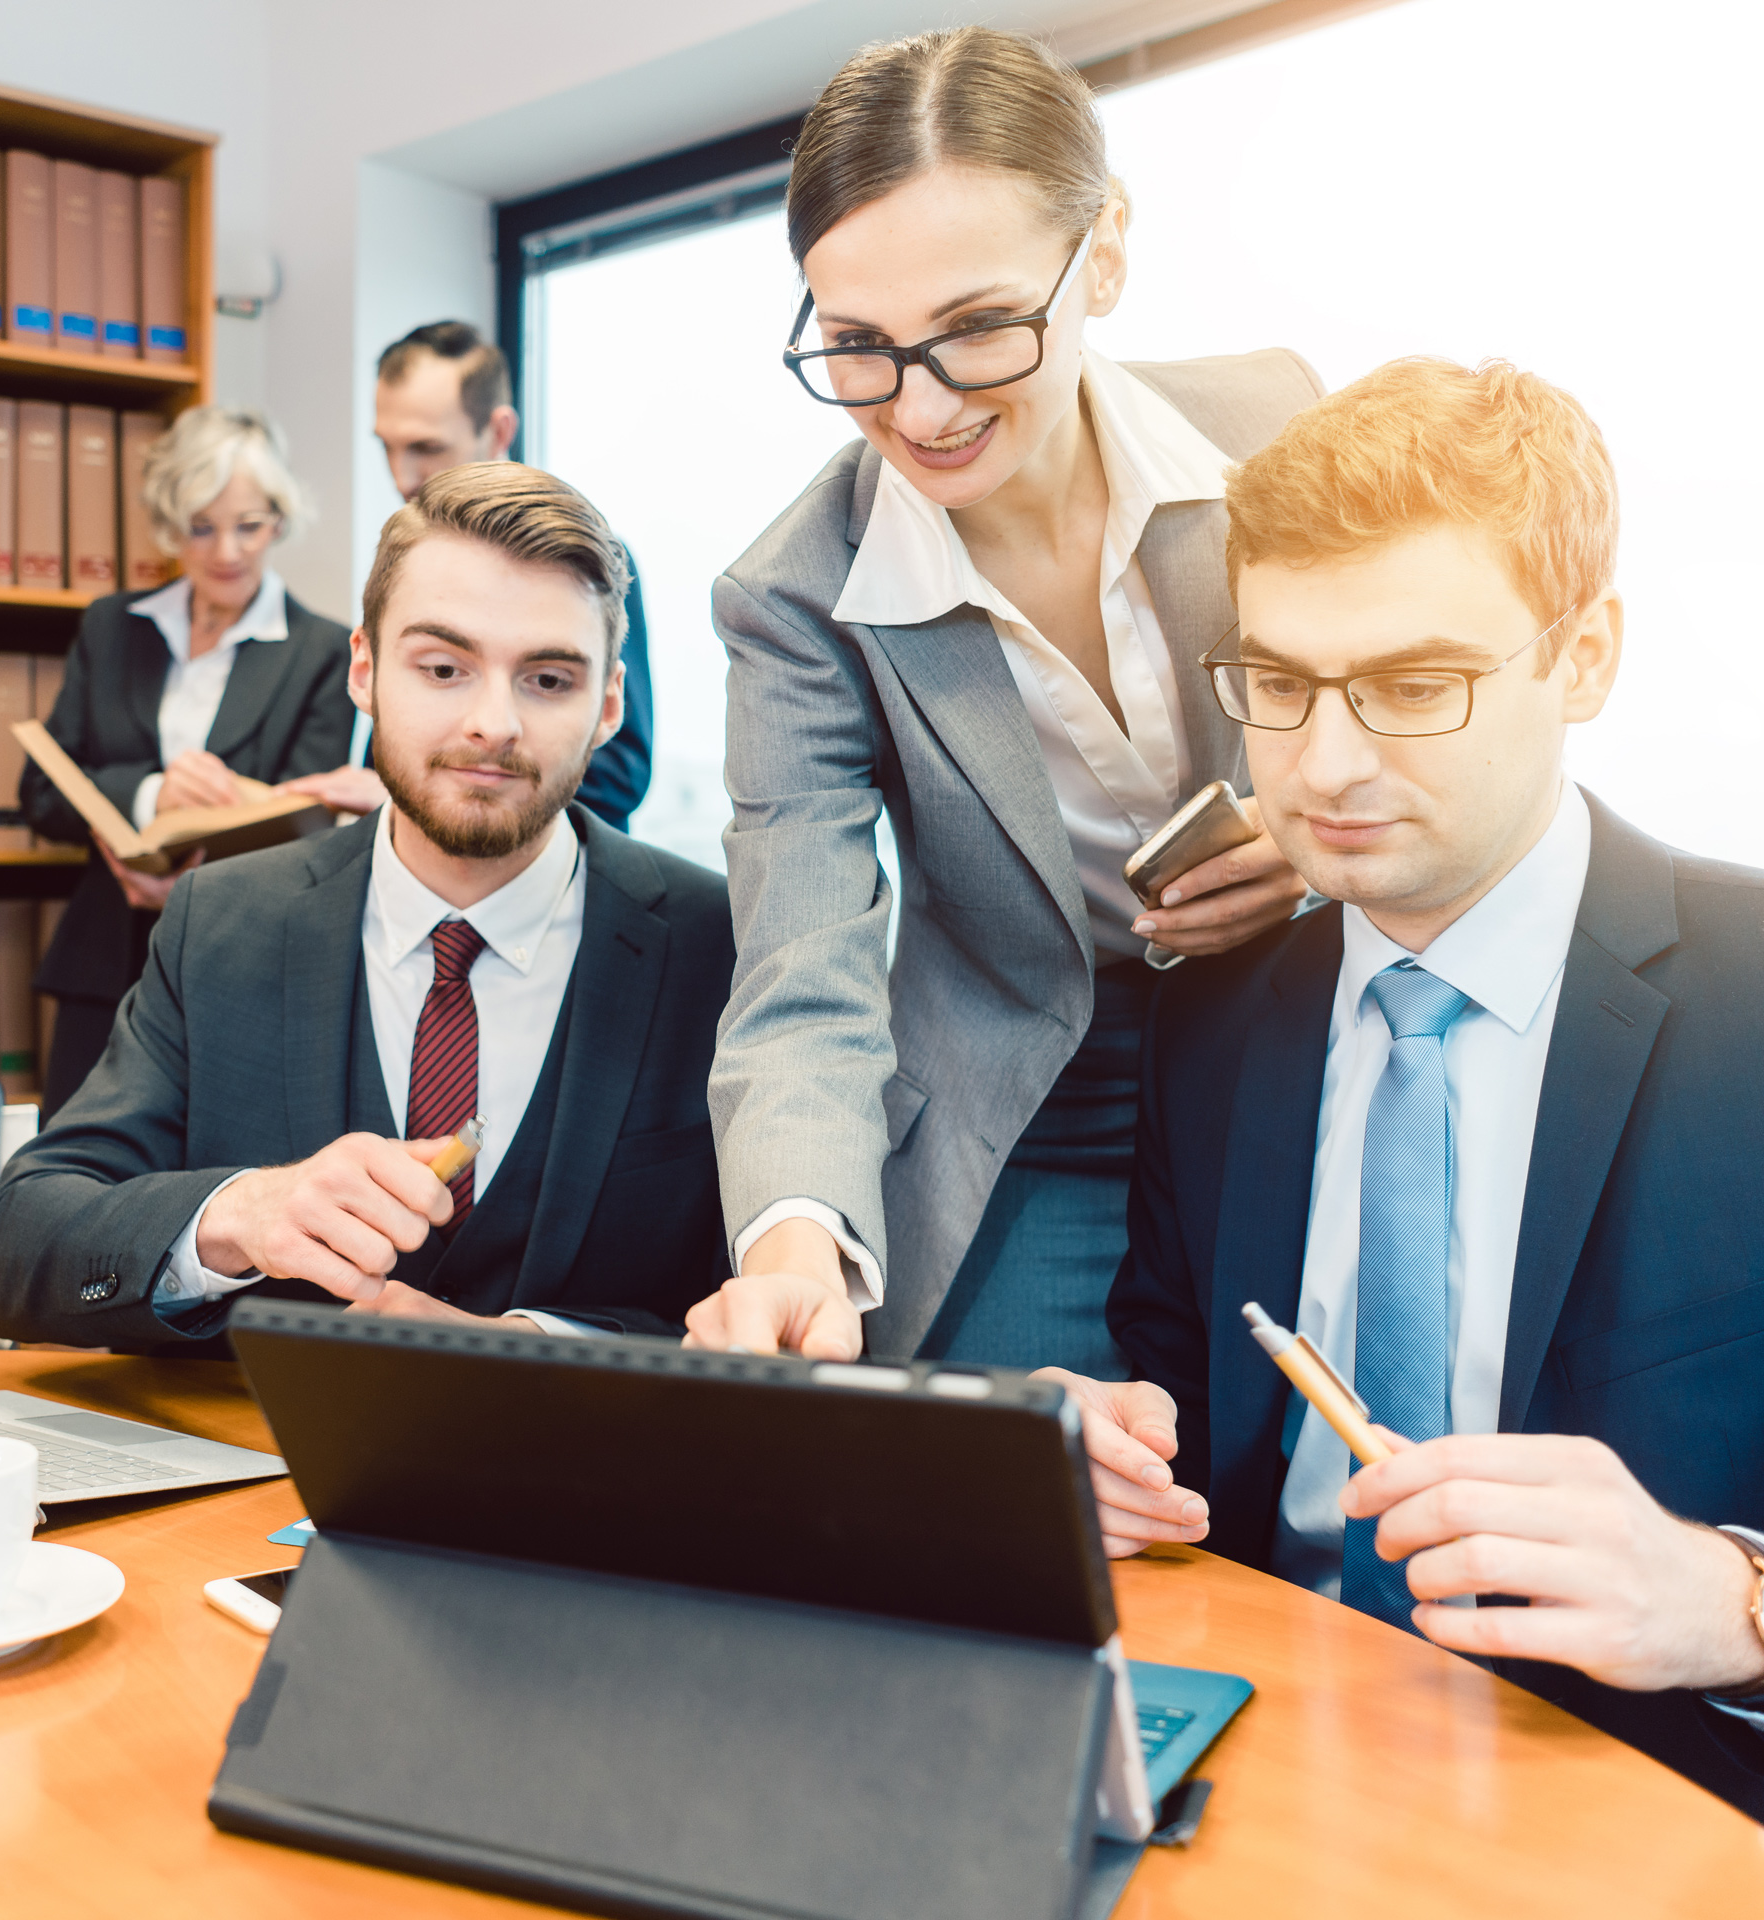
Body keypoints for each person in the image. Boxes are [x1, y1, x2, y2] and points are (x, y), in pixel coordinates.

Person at [1051, 358, 1764, 1820]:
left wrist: (1731, 1598)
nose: (1323, 764)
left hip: (1647, 1789)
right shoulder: (1209, 1023)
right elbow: (1172, 1393)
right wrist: (1099, 1455)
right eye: (1280, 684)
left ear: (1586, 657)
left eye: (1414, 686)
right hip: (1253, 1754)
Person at [683, 27, 1317, 1371]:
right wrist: (793, 1232)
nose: (920, 410)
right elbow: (803, 960)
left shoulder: (1278, 431)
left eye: (977, 328)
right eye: (858, 345)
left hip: (1307, 1049)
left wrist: (1310, 839)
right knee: (1031, 1520)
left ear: (1108, 256)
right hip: (1037, 1108)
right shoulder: (793, 598)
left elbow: (1428, 724)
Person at [0, 463, 732, 1349]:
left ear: (608, 705)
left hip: (594, 1480)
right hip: (261, 1477)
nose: (494, 722)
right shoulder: (220, 923)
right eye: (444, 666)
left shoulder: (718, 944)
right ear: (365, 672)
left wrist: (538, 1350)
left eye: (549, 680)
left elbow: (776, 1304)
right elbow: (18, 1250)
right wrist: (237, 1214)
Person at [23, 406, 354, 1115]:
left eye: (250, 525)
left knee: (205, 1184)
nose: (227, 551)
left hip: (243, 962)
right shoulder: (113, 626)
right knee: (68, 1183)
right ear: (171, 525)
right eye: (201, 528)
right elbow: (43, 792)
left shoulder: (324, 651)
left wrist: (203, 855)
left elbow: (312, 826)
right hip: (104, 956)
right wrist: (150, 798)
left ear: (280, 519)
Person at [291, 321, 653, 830]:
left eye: (427, 448)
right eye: (387, 447)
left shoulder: (582, 567)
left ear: (499, 431)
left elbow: (620, 775)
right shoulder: (410, 554)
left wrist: (442, 785)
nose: (401, 477)